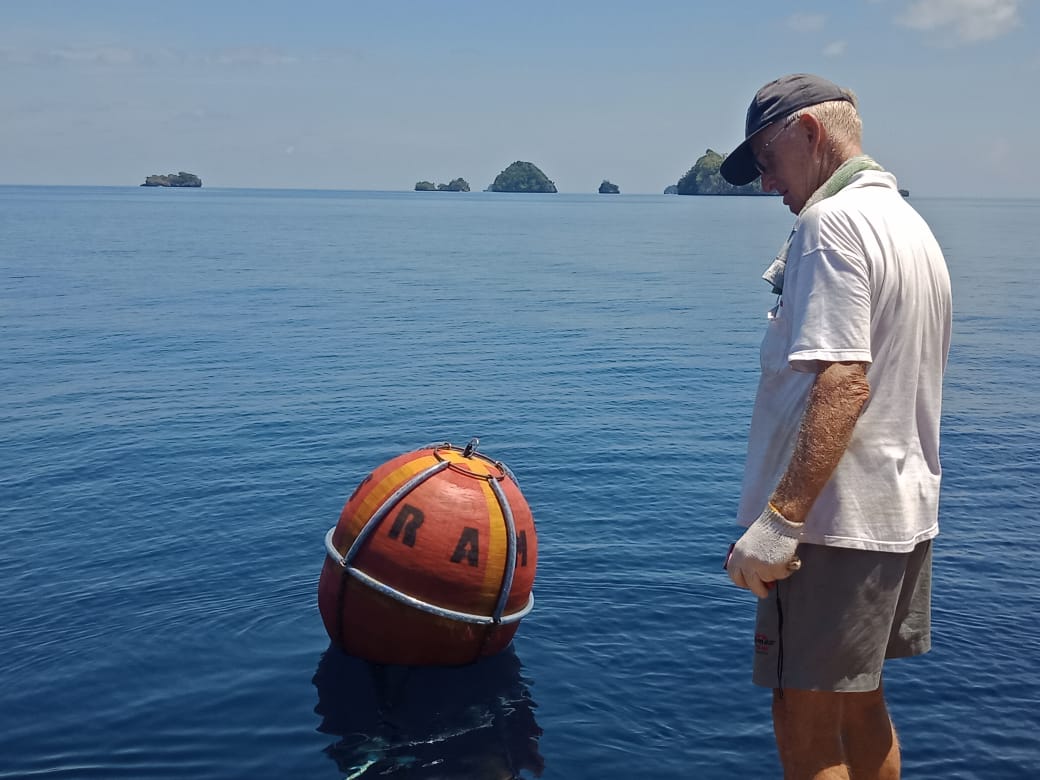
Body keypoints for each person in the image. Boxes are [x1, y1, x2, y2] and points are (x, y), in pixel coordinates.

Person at [719, 74, 952, 779]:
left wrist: (780, 522)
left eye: (767, 161)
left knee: (805, 716)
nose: (766, 185)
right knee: (860, 704)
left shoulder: (831, 224)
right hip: (897, 515)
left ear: (811, 135)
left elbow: (844, 382)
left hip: (831, 528)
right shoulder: (911, 227)